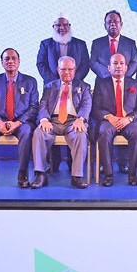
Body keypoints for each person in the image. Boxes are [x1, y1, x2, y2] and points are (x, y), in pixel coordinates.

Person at [0, 48, 38, 188]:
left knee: (27, 131)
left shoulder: (30, 81)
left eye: (13, 58)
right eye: (7, 59)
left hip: (21, 122)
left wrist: (18, 122)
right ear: (2, 63)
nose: (10, 61)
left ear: (19, 61)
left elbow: (34, 107)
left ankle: (22, 173)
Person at [30, 56, 91, 189]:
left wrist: (81, 119)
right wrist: (44, 119)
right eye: (63, 69)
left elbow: (87, 104)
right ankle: (40, 174)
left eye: (70, 69)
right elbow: (43, 104)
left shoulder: (84, 86)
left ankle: (77, 176)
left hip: (74, 121)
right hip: (53, 120)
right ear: (58, 70)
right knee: (38, 132)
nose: (67, 72)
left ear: (75, 70)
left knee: (80, 134)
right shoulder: (49, 86)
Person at [90, 53, 137, 187]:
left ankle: (132, 174)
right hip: (109, 120)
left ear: (126, 67)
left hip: (129, 121)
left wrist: (130, 118)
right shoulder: (101, 84)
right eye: (115, 63)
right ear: (109, 67)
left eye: (121, 63)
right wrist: (109, 117)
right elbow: (95, 109)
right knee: (104, 133)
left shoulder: (136, 84)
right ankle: (108, 175)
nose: (118, 66)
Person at [36, 15, 90, 84]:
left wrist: (73, 80)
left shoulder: (80, 44)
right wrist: (56, 82)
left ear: (69, 26)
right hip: (52, 85)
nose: (61, 28)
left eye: (65, 25)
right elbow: (41, 64)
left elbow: (85, 65)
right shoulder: (46, 44)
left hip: (76, 85)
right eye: (58, 25)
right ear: (53, 27)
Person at [89, 10, 137, 80]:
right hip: (103, 83)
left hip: (126, 83)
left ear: (121, 24)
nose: (112, 24)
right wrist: (108, 76)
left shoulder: (130, 43)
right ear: (105, 26)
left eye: (116, 21)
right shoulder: (97, 43)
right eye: (109, 22)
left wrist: (122, 77)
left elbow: (135, 62)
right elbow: (93, 62)